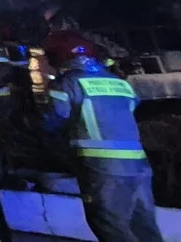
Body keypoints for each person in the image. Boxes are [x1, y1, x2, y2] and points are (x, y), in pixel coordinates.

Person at [43, 45, 163, 242]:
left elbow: (55, 117)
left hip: (101, 166)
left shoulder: (68, 82)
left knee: (109, 225)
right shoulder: (119, 83)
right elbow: (132, 106)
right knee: (144, 226)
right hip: (138, 165)